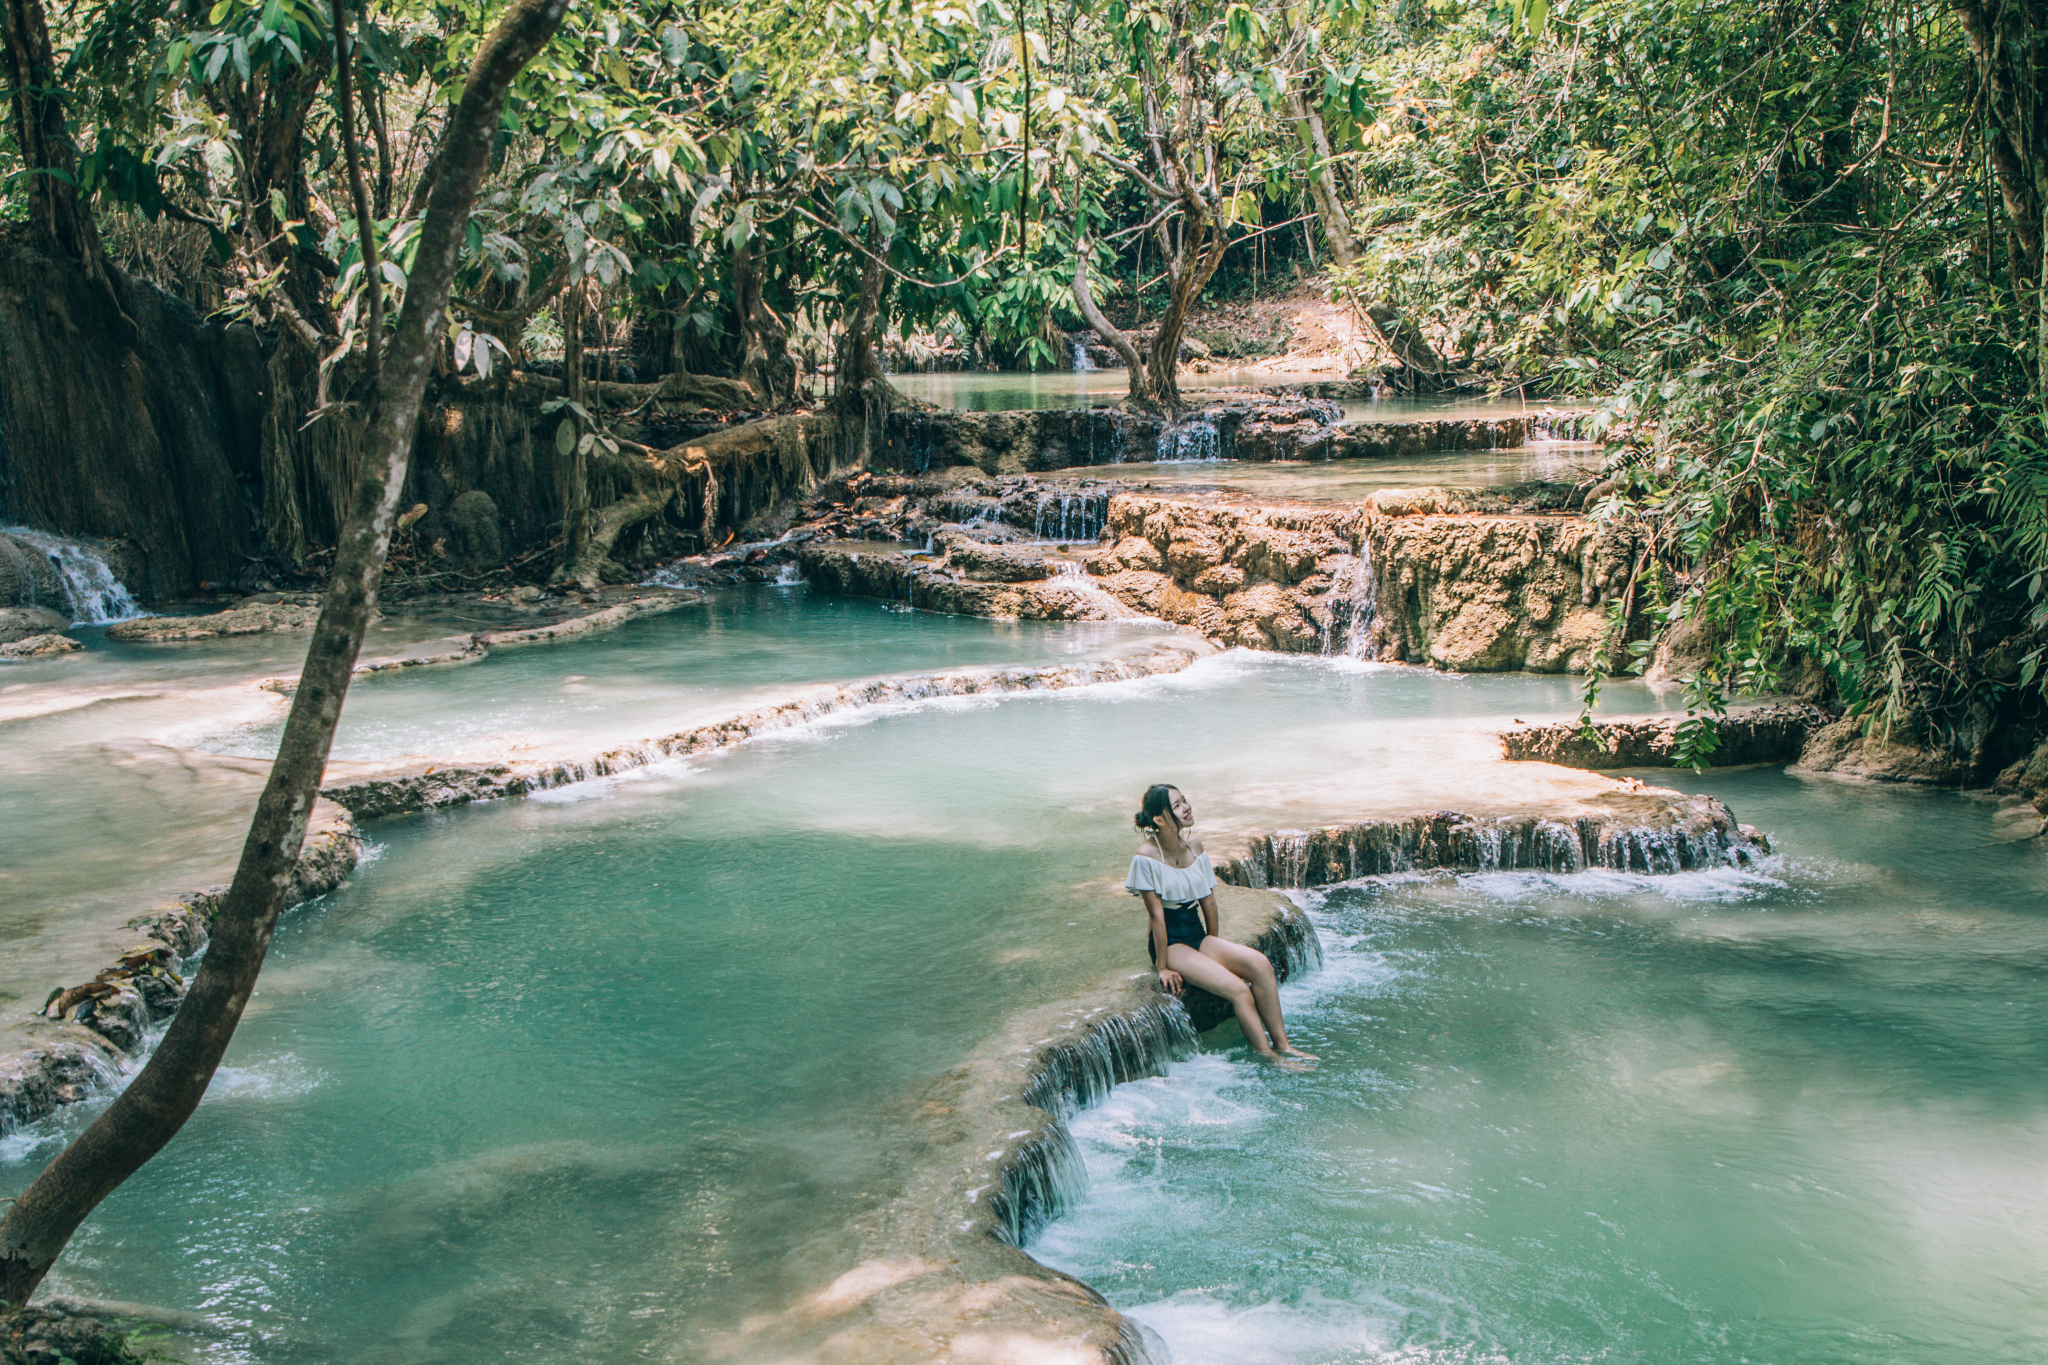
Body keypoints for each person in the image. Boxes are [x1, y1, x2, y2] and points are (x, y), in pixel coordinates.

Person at [1126, 784, 1316, 1069]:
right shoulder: (1146, 856)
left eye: (1184, 800)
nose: (1186, 807)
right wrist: (1163, 966)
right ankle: (1269, 1056)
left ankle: (1283, 1044)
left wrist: (1212, 945)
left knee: (1261, 965)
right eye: (1176, 805)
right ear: (1159, 819)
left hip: (1197, 934)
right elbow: (1157, 918)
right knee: (1238, 989)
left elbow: (1209, 903)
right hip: (1172, 942)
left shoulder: (1195, 847)